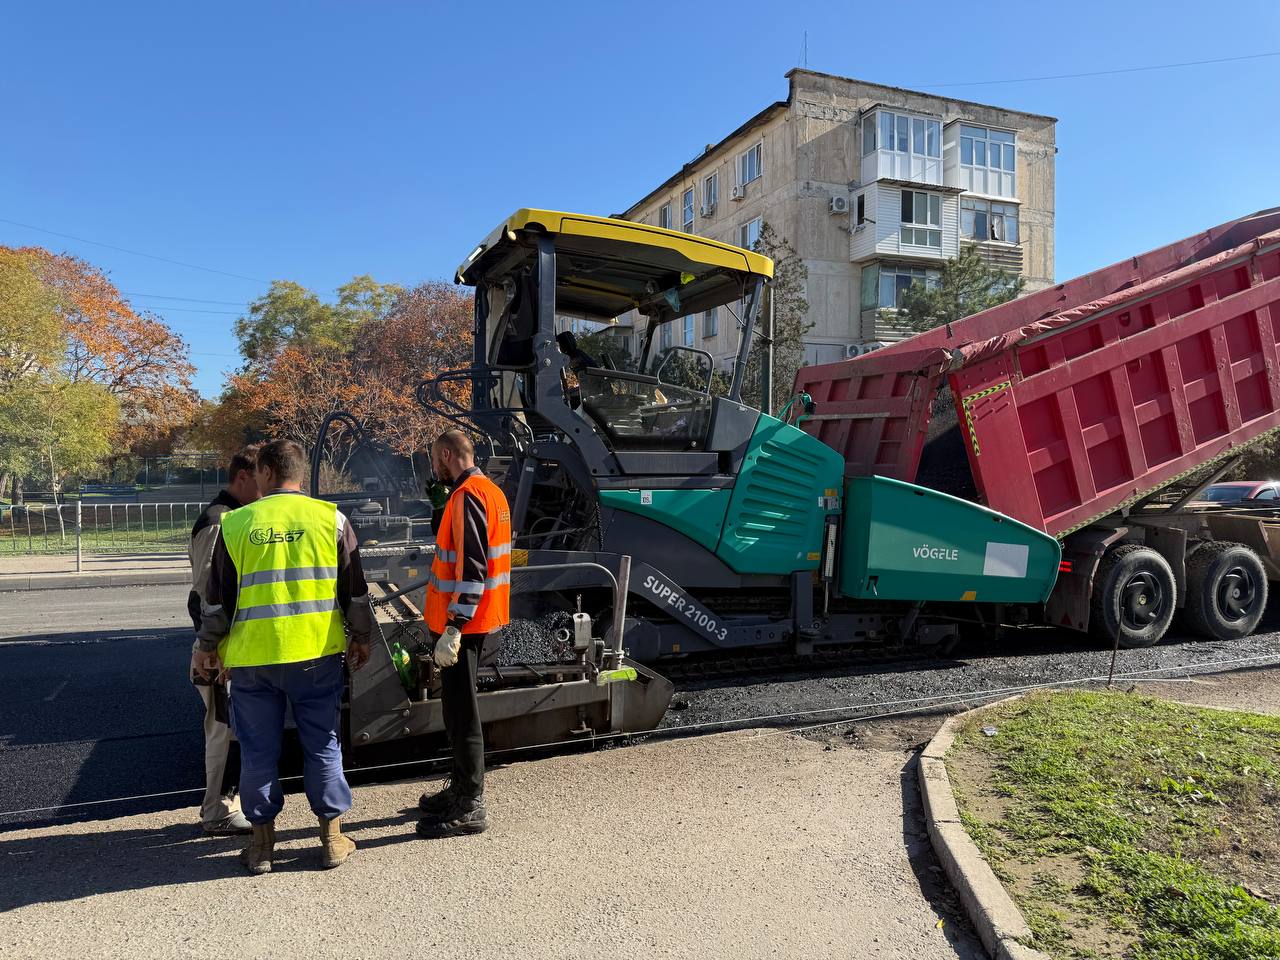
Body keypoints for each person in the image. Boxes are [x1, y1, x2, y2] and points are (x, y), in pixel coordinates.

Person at [193, 439, 374, 875]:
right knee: (323, 746)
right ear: (299, 474)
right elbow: (354, 591)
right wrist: (362, 637)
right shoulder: (331, 520)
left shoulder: (236, 525)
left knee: (257, 752)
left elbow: (218, 603)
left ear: (267, 474)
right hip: (317, 657)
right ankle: (331, 841)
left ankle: (261, 848)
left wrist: (205, 648)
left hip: (253, 663)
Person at [416, 428, 512, 839]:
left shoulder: (468, 495)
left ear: (447, 454)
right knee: (458, 710)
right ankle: (460, 789)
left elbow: (473, 567)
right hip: (481, 618)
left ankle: (471, 802)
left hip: (465, 624)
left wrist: (453, 626)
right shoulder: (490, 490)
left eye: (436, 460)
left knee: (462, 712)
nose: (434, 468)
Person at [186, 445, 260, 835]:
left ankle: (227, 803)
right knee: (223, 730)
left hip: (225, 647)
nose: (266, 491)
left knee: (231, 729)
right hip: (219, 652)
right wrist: (210, 650)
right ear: (243, 477)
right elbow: (207, 595)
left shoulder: (230, 516)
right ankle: (216, 810)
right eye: (260, 481)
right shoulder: (219, 522)